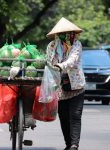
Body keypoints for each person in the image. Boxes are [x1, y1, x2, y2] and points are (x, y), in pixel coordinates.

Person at [46, 17, 86, 150]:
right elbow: (48, 62)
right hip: (60, 88)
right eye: (64, 33)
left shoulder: (77, 44)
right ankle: (68, 144)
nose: (69, 36)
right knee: (63, 118)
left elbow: (72, 61)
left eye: (71, 33)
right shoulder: (51, 46)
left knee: (75, 115)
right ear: (58, 35)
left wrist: (59, 66)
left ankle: (74, 145)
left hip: (76, 86)